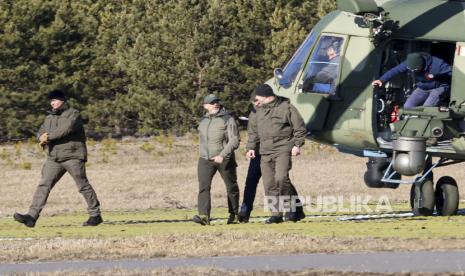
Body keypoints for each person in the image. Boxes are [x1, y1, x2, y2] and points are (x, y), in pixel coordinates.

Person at [14, 89, 102, 228]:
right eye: (51, 101)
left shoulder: (73, 114)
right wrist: (40, 137)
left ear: (62, 100)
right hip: (54, 157)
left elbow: (65, 129)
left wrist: (47, 137)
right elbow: (41, 131)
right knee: (44, 185)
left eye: (55, 100)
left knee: (82, 186)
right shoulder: (49, 117)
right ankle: (31, 216)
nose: (52, 103)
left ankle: (95, 215)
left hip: (72, 156)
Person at [246, 84, 307, 224]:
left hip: (283, 148)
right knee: (269, 183)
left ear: (267, 96)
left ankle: (291, 208)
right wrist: (251, 148)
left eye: (258, 97)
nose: (256, 100)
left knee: (281, 178)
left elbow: (300, 128)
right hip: (264, 151)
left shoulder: (287, 108)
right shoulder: (257, 111)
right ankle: (276, 214)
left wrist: (297, 145)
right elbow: (253, 132)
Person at [193, 94, 240, 225]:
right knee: (203, 187)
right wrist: (202, 153)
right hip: (205, 160)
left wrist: (222, 155)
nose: (215, 104)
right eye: (212, 102)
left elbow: (235, 140)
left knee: (231, 187)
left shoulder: (227, 119)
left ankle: (234, 214)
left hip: (224, 159)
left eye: (217, 102)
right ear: (205, 106)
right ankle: (204, 216)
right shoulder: (203, 120)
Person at [372, 52, 452, 108]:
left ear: (421, 65)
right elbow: (395, 70)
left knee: (427, 108)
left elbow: (453, 72)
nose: (412, 71)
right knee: (408, 106)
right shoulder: (409, 63)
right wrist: (382, 80)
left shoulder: (438, 65)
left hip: (439, 87)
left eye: (415, 70)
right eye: (411, 70)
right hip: (423, 87)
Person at [238, 108, 262, 223]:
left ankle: (294, 209)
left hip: (274, 152)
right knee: (250, 182)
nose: (256, 103)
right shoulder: (254, 113)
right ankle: (245, 211)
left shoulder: (279, 109)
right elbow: (252, 134)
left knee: (280, 181)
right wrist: (250, 148)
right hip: (258, 153)